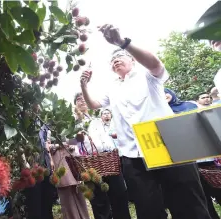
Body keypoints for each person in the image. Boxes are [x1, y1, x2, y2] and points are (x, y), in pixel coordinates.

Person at [80, 23, 211, 219]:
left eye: (119, 56)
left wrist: (123, 43)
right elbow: (93, 105)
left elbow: (156, 64)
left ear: (131, 59)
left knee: (188, 205)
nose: (115, 60)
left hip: (167, 146)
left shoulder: (146, 75)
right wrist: (84, 85)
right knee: (147, 209)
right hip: (133, 156)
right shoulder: (112, 87)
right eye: (112, 60)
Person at [73, 93, 131, 219]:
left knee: (119, 193)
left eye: (83, 98)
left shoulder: (97, 118)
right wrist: (77, 137)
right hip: (90, 162)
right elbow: (70, 141)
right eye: (78, 99)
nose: (82, 101)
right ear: (75, 104)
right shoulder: (73, 121)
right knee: (99, 200)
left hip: (109, 159)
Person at [164, 88, 220, 219]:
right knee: (200, 194)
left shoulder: (190, 105)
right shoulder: (160, 111)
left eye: (165, 92)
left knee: (217, 189)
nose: (163, 95)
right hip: (187, 161)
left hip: (207, 156)